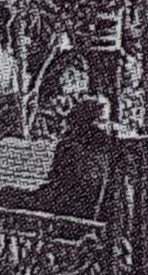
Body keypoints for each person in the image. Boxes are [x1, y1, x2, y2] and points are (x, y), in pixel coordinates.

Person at [21, 94, 116, 223]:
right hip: (93, 207)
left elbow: (58, 184)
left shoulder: (70, 146)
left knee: (14, 196)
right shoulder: (112, 142)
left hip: (73, 207)